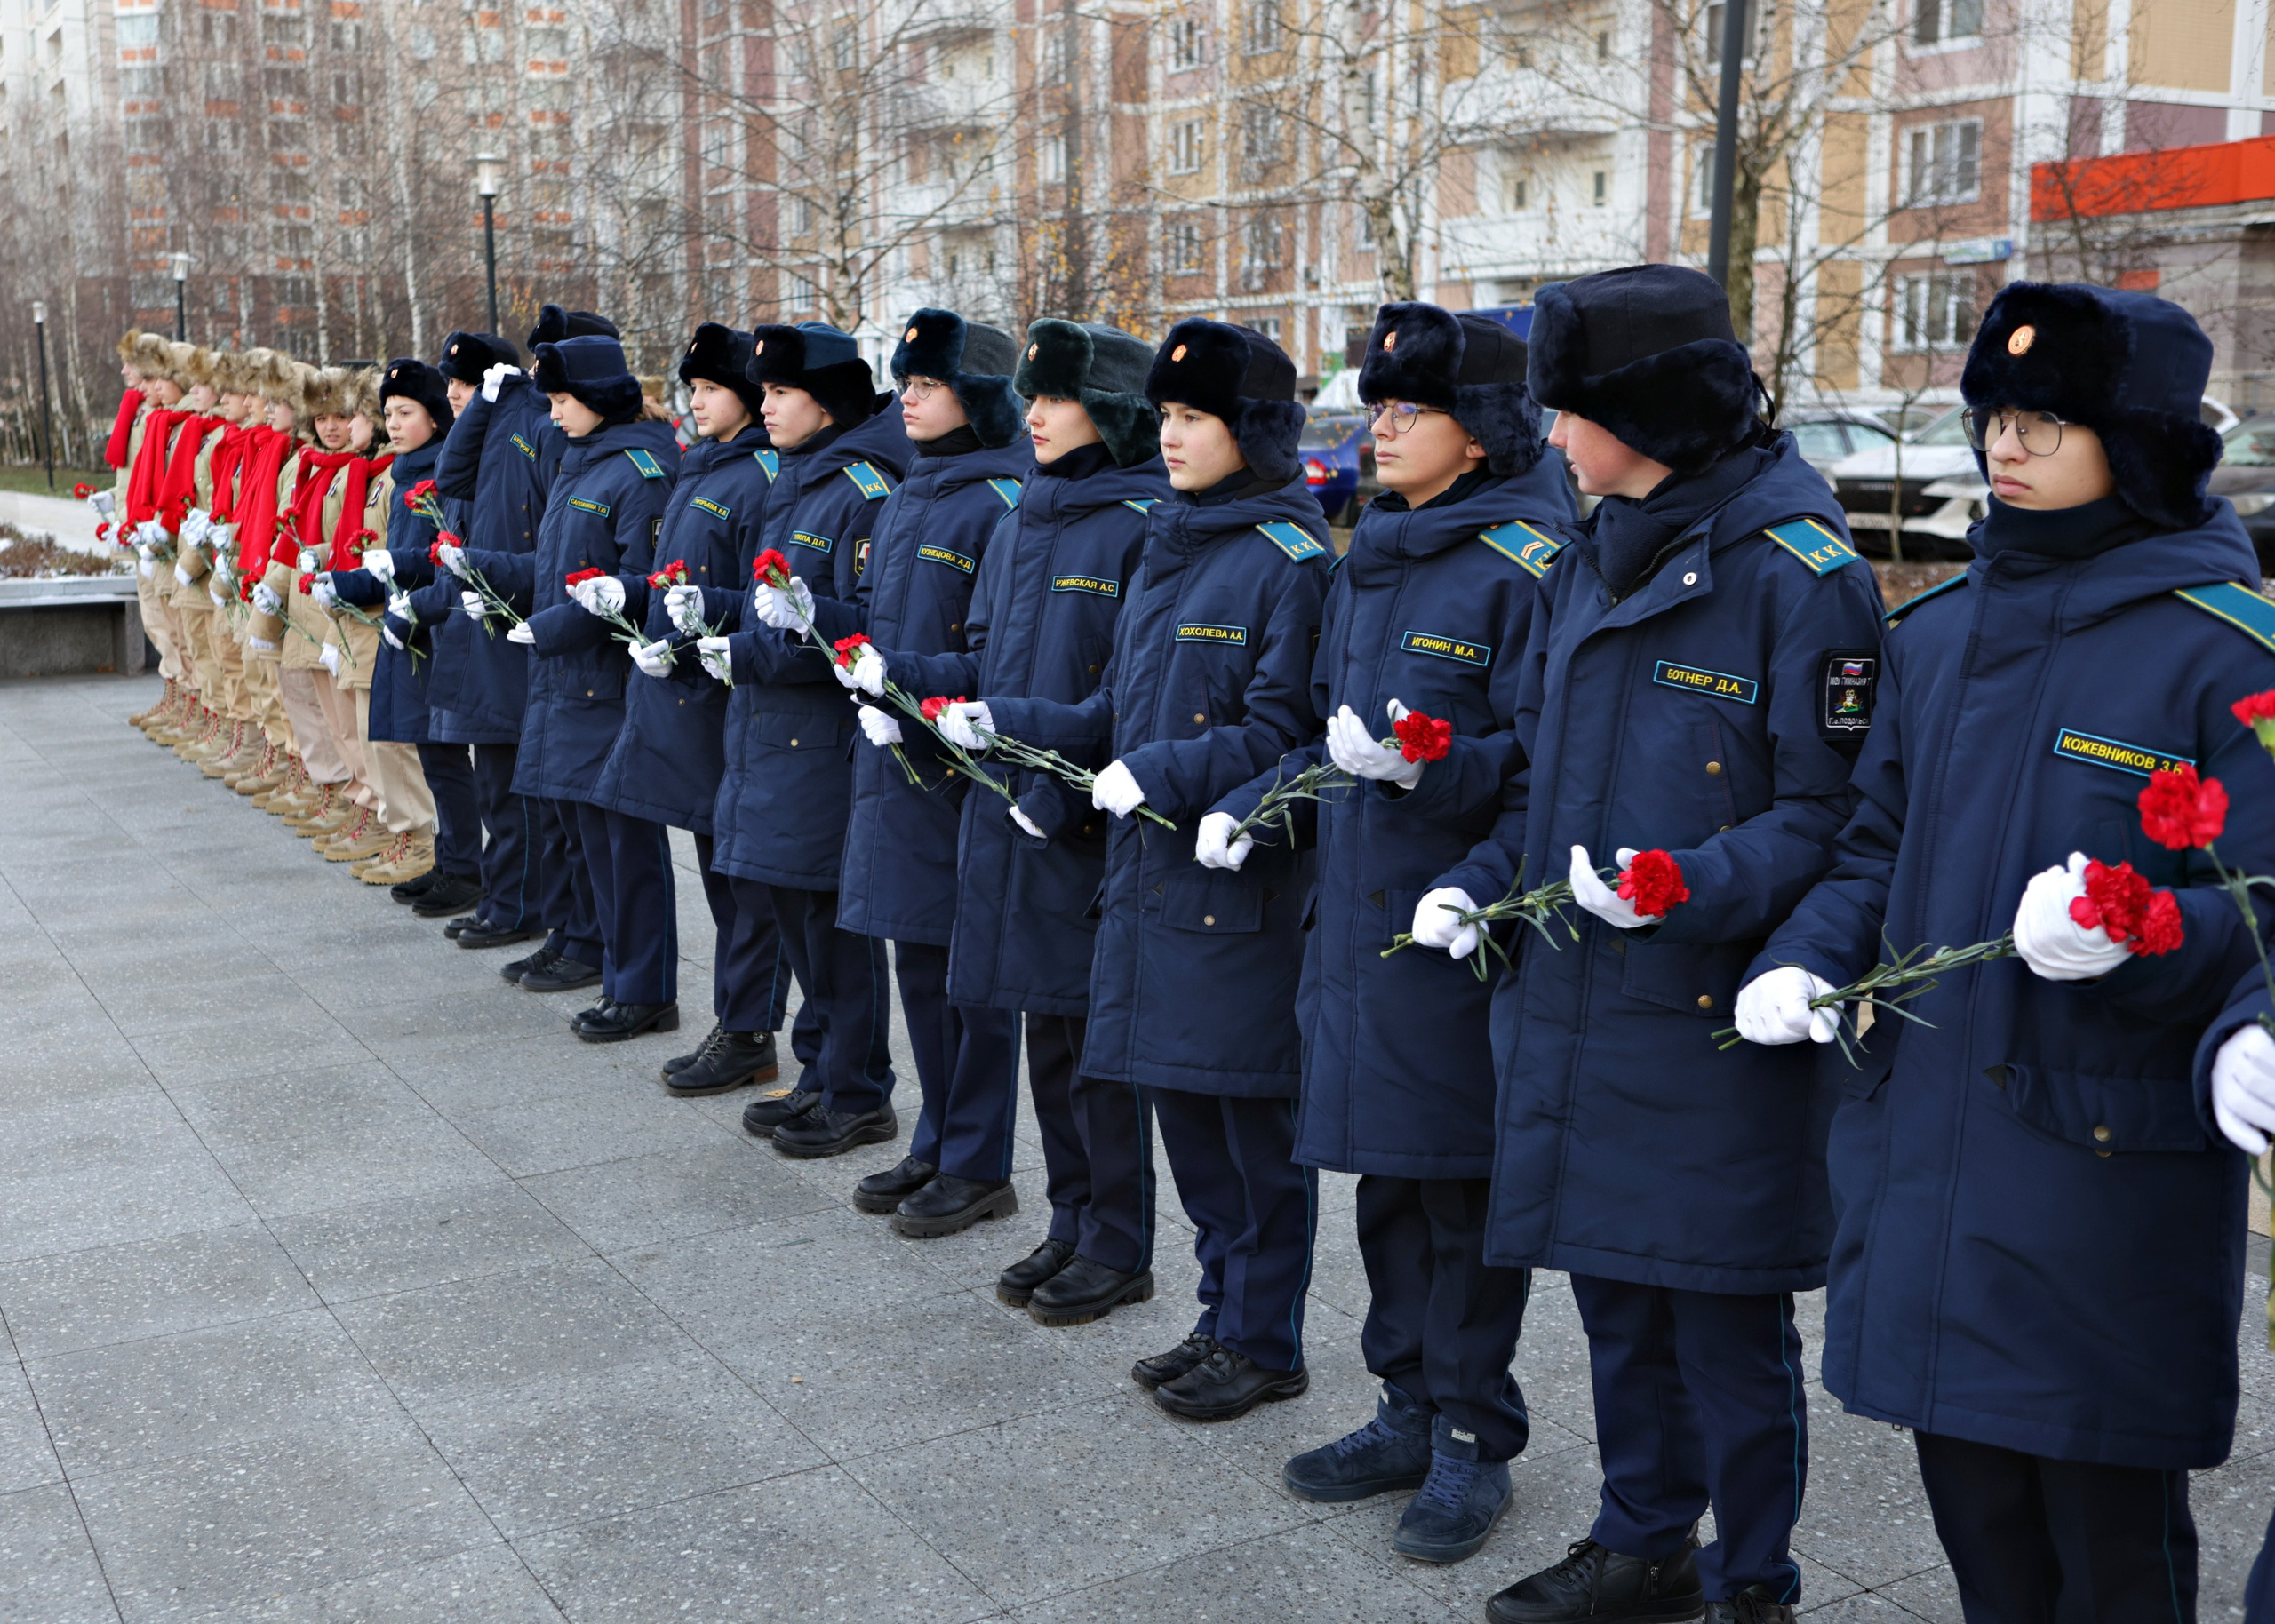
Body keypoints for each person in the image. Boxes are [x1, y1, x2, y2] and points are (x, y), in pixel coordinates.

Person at [1739, 283, 2275, 1621]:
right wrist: (1806, 955)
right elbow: (1876, 848)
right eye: (1995, 416)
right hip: (1928, 1165)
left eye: (2046, 418)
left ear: (2139, 442)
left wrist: (2152, 945)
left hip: (2102, 1184)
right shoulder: (1941, 635)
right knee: (1982, 1536)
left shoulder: (2226, 657)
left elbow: (2263, 904)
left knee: (2110, 1562)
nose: (2006, 446)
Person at [1411, 264, 1886, 1623]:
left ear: (1658, 417)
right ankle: (1643, 1539)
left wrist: (1692, 882)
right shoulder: (1585, 555)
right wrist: (1482, 879)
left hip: (1715, 1018)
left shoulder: (1804, 581)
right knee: (1617, 1302)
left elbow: (1842, 814)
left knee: (1725, 1324)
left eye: (1575, 413)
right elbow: (1553, 788)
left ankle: (1754, 1580)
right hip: (1582, 1003)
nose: (1552, 440)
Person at [1202, 302, 1577, 1563]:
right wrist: (1264, 806)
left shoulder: (1526, 561)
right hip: (1358, 927)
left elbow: (1544, 770)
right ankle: (1406, 1404)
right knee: (1386, 1186)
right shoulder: (1383, 550)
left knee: (1460, 1198)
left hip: (1454, 932)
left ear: (1479, 432)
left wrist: (1451, 813)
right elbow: (1332, 735)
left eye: (1408, 409)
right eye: (1377, 405)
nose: (1382, 427)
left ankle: (1475, 1436)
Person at [948, 318, 1331, 1420]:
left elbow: (1280, 730)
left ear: (1251, 432)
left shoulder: (1285, 562)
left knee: (1248, 1133)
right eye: (1162, 416)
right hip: (1151, 888)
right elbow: (1116, 706)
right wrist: (1013, 721)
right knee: (1190, 1126)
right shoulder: (1179, 543)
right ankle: (1222, 1316)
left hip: (1235, 900)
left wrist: (1156, 772)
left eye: (1193, 418)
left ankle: (1266, 1336)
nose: (1169, 436)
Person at [850, 319, 1166, 1305]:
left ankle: (1117, 1241)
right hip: (1011, 812)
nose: (1032, 413)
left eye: (1057, 399)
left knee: (1092, 1049)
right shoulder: (1031, 513)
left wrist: (1048, 778)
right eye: (1030, 396)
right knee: (1043, 1035)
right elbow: (985, 661)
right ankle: (1072, 1221)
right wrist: (898, 680)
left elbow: (1130, 699)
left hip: (1081, 820)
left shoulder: (1139, 522)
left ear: (1108, 414)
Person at [815, 309, 1030, 1227]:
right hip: (894, 760)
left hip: (955, 772)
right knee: (916, 956)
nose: (907, 397)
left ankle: (979, 1160)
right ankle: (938, 1136)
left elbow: (999, 661)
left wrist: (905, 687)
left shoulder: (999, 500)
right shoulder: (913, 490)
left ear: (975, 398)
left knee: (971, 979)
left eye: (928, 384)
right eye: (905, 382)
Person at [691, 319, 909, 1142]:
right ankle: (821, 1071)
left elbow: (862, 629)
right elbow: (774, 606)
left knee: (830, 925)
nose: (767, 405)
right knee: (794, 914)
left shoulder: (862, 485)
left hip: (815, 741)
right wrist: (715, 617)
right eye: (767, 391)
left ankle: (857, 1092)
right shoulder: (799, 476)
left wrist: (752, 646)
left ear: (828, 400)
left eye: (782, 392)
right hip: (769, 734)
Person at [453, 326, 682, 1039]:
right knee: (590, 844)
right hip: (567, 685)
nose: (552, 414)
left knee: (627, 849)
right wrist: (484, 568)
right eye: (550, 400)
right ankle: (617, 975)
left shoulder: (637, 472)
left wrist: (554, 627)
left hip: (609, 689)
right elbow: (555, 573)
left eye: (562, 400)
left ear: (595, 398)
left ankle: (645, 988)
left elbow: (638, 588)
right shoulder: (581, 466)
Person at [586, 322, 794, 1088]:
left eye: (711, 388)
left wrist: (694, 643)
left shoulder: (758, 476)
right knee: (720, 870)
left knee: (745, 885)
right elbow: (680, 577)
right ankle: (736, 1023)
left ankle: (748, 1030)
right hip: (685, 696)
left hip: (724, 697)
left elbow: (759, 597)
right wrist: (642, 609)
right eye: (694, 389)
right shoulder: (704, 468)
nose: (697, 401)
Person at [418, 329, 557, 950]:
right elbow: (452, 477)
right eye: (449, 386)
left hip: (515, 623)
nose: (453, 395)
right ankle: (505, 899)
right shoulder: (490, 421)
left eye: (463, 385)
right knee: (493, 781)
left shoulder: (527, 421)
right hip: (483, 623)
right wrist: (478, 408)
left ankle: (518, 903)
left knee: (510, 786)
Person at [329, 357, 480, 899]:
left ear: (435, 418)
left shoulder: (441, 471)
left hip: (431, 623)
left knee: (442, 753)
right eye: (387, 413)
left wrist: (395, 571)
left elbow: (439, 553)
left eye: (405, 413)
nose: (392, 424)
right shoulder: (407, 468)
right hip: (405, 622)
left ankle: (464, 866)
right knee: (430, 749)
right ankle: (451, 859)